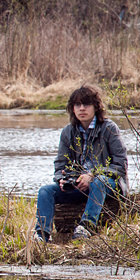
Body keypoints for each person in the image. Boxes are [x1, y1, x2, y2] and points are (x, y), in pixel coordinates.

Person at [33, 85, 128, 243]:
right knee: (45, 191)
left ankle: (86, 226)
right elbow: (60, 165)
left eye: (86, 104)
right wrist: (62, 180)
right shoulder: (68, 132)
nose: (82, 108)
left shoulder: (109, 128)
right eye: (77, 105)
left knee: (99, 182)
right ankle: (42, 235)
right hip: (78, 186)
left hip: (108, 184)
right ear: (72, 108)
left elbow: (120, 165)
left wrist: (93, 175)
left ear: (96, 107)